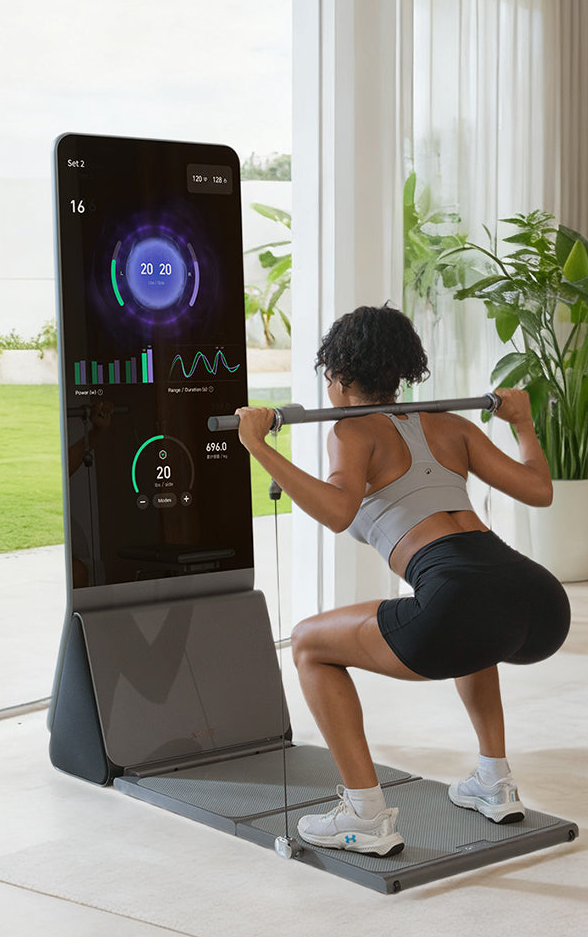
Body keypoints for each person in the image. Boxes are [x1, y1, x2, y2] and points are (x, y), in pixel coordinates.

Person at [234, 304, 570, 857]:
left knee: (309, 644)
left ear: (339, 376)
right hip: (536, 599)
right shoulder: (451, 425)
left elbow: (340, 510)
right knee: (473, 623)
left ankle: (365, 813)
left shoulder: (351, 430)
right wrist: (522, 424)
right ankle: (494, 780)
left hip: (461, 595)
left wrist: (259, 447)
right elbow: (539, 488)